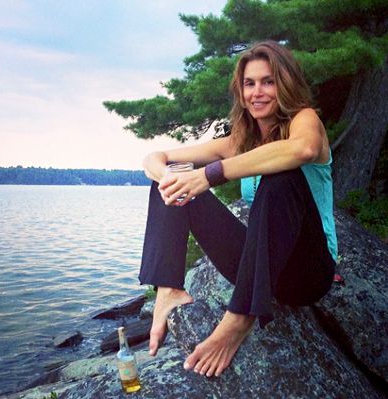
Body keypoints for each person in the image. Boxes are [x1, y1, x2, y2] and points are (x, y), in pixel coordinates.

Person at [139, 40, 337, 378]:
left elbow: (302, 149)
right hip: (258, 267)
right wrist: (169, 176)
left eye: (267, 81)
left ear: (284, 84)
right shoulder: (239, 140)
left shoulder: (305, 120)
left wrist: (211, 175)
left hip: (307, 273)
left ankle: (240, 317)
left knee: (281, 175)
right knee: (171, 183)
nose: (257, 92)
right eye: (249, 83)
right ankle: (168, 289)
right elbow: (157, 157)